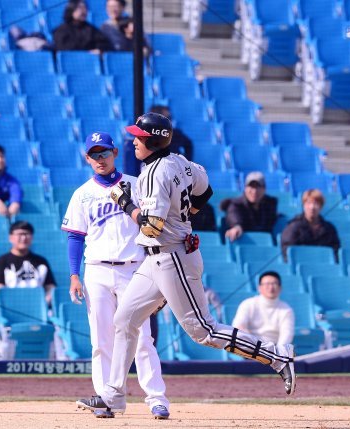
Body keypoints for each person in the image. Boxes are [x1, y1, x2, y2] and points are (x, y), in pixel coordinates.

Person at [86, 112, 295, 417]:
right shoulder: (182, 162)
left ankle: (276, 355)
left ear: (153, 141)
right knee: (125, 320)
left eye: (139, 137)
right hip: (158, 258)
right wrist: (182, 219)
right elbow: (205, 191)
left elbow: (151, 228)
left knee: (203, 331)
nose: (133, 142)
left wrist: (126, 203)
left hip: (172, 258)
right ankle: (113, 395)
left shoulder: (155, 173)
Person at [61, 131, 169, 420]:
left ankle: (156, 398)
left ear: (115, 153)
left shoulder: (137, 184)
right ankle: (107, 399)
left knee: (143, 337)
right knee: (101, 339)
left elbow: (154, 226)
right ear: (87, 158)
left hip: (134, 268)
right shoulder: (82, 194)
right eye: (94, 154)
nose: (100, 158)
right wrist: (74, 275)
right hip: (96, 269)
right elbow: (75, 237)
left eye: (105, 152)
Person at [0, 221, 56, 305]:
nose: (24, 238)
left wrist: (44, 302)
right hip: (11, 305)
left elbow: (50, 286)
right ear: (10, 237)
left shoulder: (41, 261)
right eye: (19, 234)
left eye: (27, 234)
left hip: (38, 305)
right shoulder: (2, 261)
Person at [232, 271, 294, 345]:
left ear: (280, 288)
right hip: (249, 345)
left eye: (274, 284)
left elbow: (287, 334)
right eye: (267, 284)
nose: (271, 287)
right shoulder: (248, 304)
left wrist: (278, 350)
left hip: (273, 348)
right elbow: (238, 326)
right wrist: (253, 345)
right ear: (259, 288)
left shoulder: (286, 310)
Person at [280, 189, 340, 261]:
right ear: (304, 205)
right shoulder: (293, 227)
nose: (312, 207)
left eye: (316, 203)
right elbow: (288, 251)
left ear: (321, 207)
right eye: (308, 203)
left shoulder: (329, 229)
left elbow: (335, 252)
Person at [222, 172, 278, 242]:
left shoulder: (270, 205)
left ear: (264, 189)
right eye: (251, 186)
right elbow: (233, 216)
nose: (254, 191)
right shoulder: (236, 204)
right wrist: (237, 227)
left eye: (258, 187)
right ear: (245, 188)